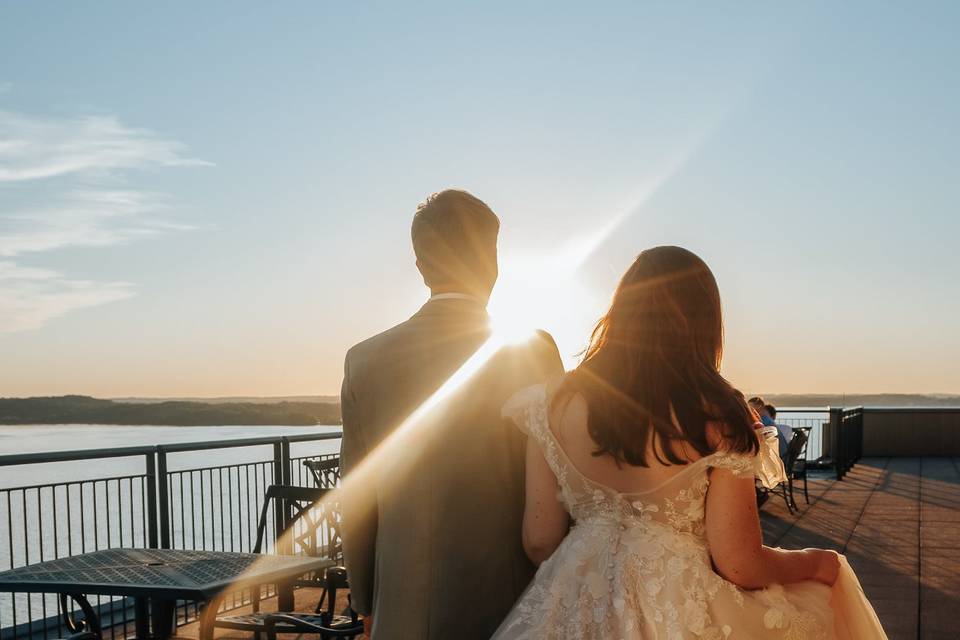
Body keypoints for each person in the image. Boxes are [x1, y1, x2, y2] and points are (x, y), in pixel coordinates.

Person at [493, 246, 886, 639]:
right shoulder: (718, 415)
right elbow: (740, 564)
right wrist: (815, 563)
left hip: (573, 603)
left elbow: (540, 541)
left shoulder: (550, 403)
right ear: (705, 323)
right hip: (675, 614)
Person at [339, 189, 563, 640]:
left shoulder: (364, 360)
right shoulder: (533, 351)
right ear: (492, 260)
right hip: (513, 603)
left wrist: (366, 599)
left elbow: (357, 497)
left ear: (421, 267)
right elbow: (564, 477)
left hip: (400, 604)